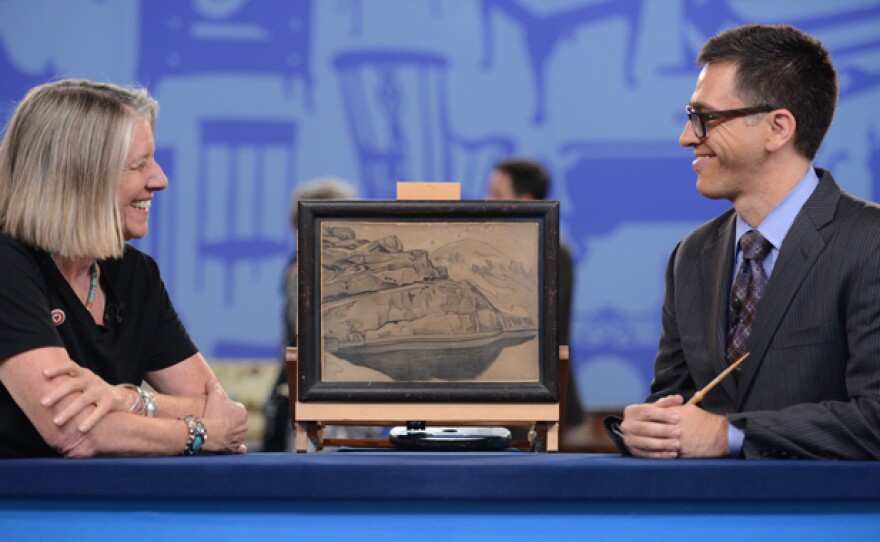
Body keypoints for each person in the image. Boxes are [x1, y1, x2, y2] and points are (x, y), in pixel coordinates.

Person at [610, 24, 880, 459]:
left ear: (777, 128)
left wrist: (728, 435)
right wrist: (649, 426)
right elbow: (675, 401)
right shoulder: (691, 256)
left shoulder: (869, 243)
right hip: (707, 523)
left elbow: (875, 419)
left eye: (706, 118)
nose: (687, 137)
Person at [0, 79, 248, 458]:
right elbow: (76, 431)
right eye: (139, 165)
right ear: (80, 178)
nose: (160, 180)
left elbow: (221, 409)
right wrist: (198, 434)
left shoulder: (135, 274)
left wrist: (124, 399)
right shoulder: (8, 265)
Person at [487, 159, 586, 440]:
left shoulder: (553, 251)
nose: (485, 201)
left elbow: (537, 327)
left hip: (540, 408)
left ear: (525, 201)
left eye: (496, 194)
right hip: (498, 407)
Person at [262, 177, 360, 452]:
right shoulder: (302, 274)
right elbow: (310, 338)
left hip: (340, 410)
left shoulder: (307, 272)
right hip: (319, 411)